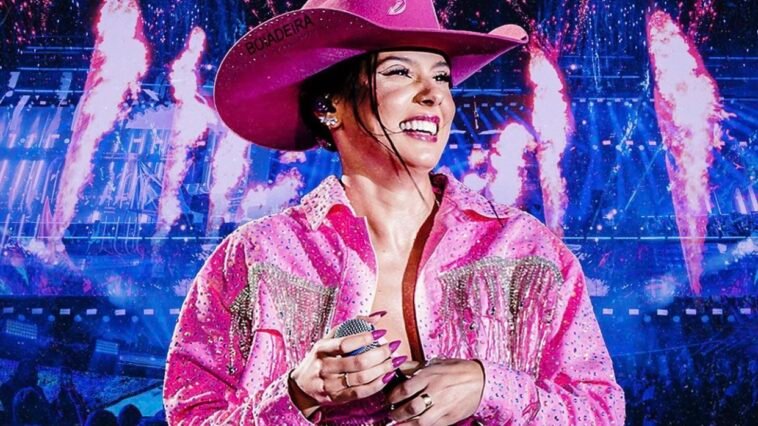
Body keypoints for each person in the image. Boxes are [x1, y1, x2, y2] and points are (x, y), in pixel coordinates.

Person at [164, 0, 625, 424]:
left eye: (442, 77)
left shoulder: (526, 249)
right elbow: (190, 415)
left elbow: (601, 412)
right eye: (400, 72)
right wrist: (298, 395)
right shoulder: (254, 258)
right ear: (328, 106)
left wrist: (490, 388)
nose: (433, 95)